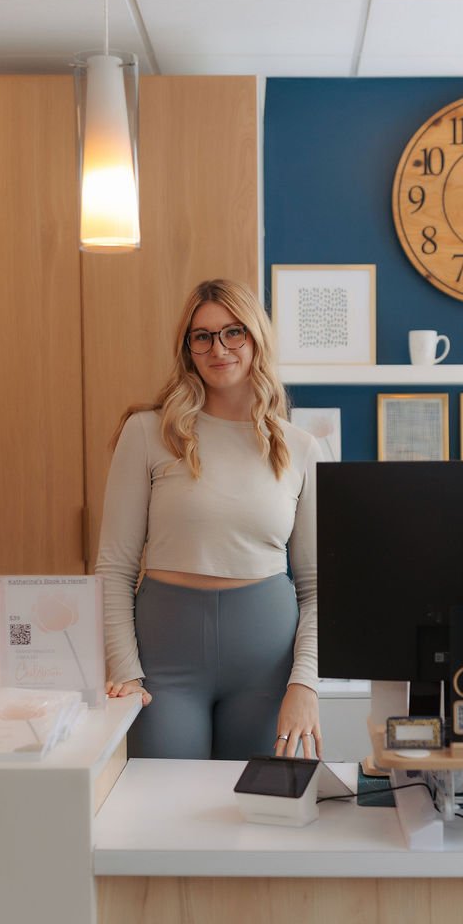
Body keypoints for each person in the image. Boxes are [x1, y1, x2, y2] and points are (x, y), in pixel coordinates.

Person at [95, 278, 320, 761]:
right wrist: (125, 671)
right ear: (188, 348)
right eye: (203, 336)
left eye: (233, 332)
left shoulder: (300, 448)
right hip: (163, 662)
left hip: (267, 664)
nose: (218, 348)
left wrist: (305, 682)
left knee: (253, 818)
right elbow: (113, 566)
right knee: (161, 810)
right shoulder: (146, 433)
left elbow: (317, 586)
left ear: (256, 338)